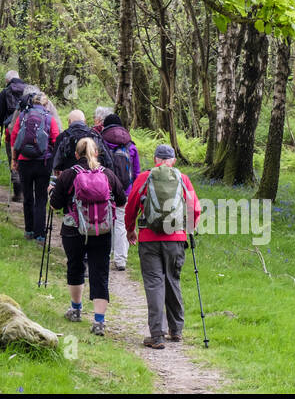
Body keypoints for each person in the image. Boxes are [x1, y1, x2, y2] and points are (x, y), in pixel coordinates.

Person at [124, 143, 202, 349]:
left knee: (154, 283)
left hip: (149, 239)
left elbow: (131, 205)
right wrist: (188, 229)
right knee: (172, 280)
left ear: (156, 159)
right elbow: (195, 208)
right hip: (175, 238)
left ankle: (157, 335)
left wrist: (130, 228)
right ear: (173, 161)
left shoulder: (144, 177)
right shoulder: (182, 179)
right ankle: (176, 331)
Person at [49, 137, 127, 336]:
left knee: (75, 265)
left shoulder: (68, 175)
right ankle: (99, 321)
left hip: (73, 230)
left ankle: (76, 310)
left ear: (76, 155)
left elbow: (55, 205)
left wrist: (51, 192)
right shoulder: (108, 174)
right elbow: (121, 199)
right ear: (97, 153)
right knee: (100, 272)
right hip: (102, 230)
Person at [7, 92, 60, 241]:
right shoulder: (49, 118)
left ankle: (29, 230)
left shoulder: (23, 116)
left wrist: (14, 159)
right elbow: (56, 139)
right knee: (41, 198)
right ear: (45, 104)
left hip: (25, 161)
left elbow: (14, 137)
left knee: (28, 196)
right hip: (44, 161)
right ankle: (40, 234)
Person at [93, 109, 141, 272]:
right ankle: (120, 260)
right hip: (125, 190)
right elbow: (137, 172)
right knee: (121, 222)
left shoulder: (100, 142)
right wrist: (134, 190)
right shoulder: (130, 145)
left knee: (105, 221)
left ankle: (105, 255)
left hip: (103, 189)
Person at [0, 70, 30, 202]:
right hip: (29, 131)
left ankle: (18, 192)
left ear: (8, 81)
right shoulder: (29, 91)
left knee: (13, 158)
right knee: (26, 159)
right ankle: (28, 191)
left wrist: (1, 122)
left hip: (11, 130)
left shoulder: (5, 92)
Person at [50, 109, 108, 175]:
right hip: (94, 177)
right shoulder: (95, 135)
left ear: (69, 122)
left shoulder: (62, 137)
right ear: (85, 121)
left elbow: (55, 163)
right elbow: (106, 160)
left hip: (70, 178)